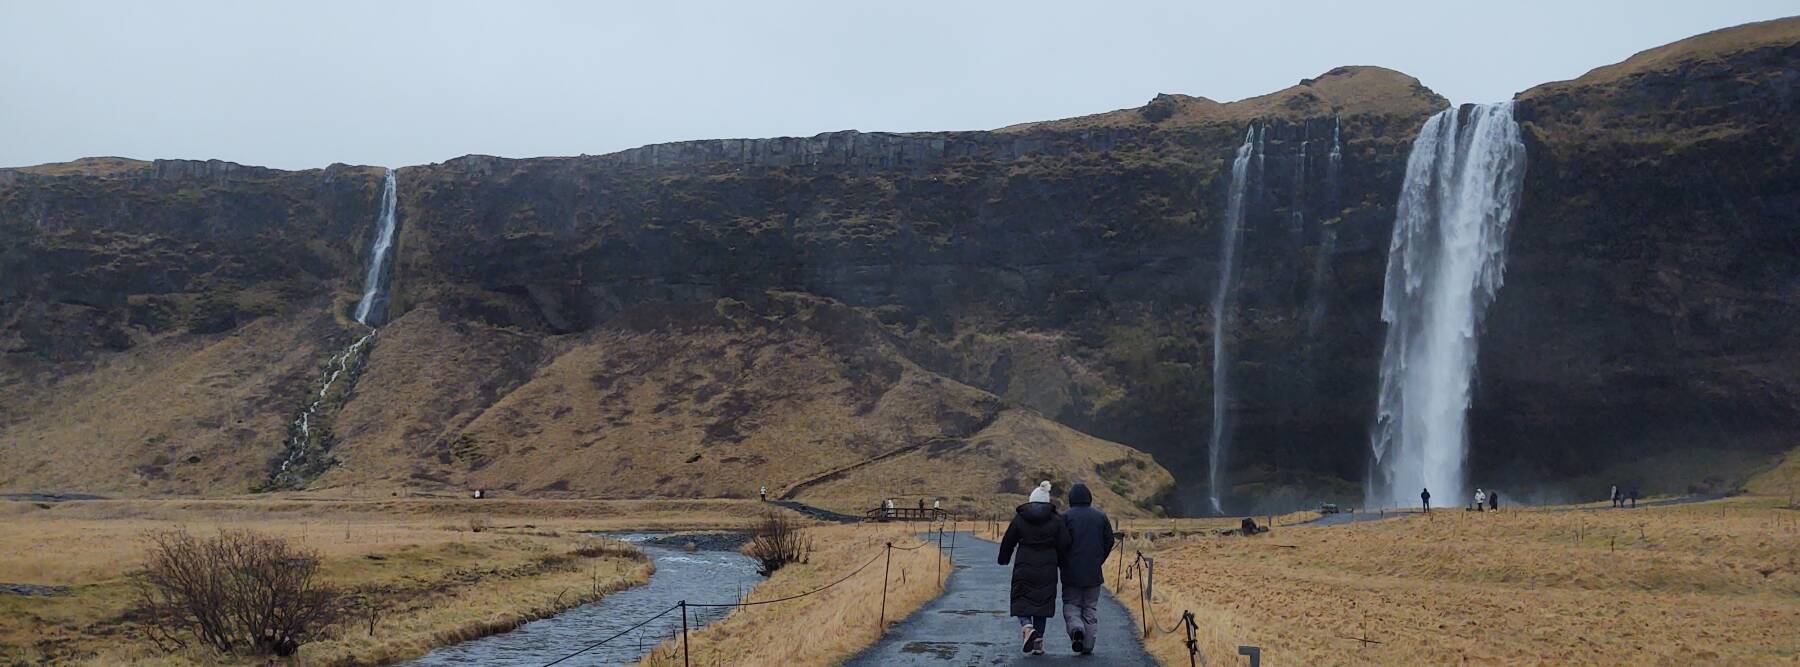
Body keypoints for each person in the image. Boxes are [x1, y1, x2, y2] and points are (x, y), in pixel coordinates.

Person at [999, 481, 1070, 655]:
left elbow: (1008, 540)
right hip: (1048, 566)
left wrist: (1003, 559)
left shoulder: (1020, 518)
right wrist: (1062, 563)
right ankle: (1038, 643)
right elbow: (1065, 543)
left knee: (1022, 598)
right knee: (1042, 604)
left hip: (1025, 563)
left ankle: (1027, 627)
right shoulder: (1056, 519)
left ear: (1031, 500)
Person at [1059, 482, 1114, 655]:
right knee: (1090, 608)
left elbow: (1059, 544)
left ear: (1071, 499)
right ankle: (1088, 646)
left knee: (1071, 605)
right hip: (1093, 573)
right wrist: (1099, 560)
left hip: (1070, 573)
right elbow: (1109, 541)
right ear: (1089, 497)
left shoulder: (1065, 517)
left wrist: (1062, 563)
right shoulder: (1100, 516)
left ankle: (1076, 628)